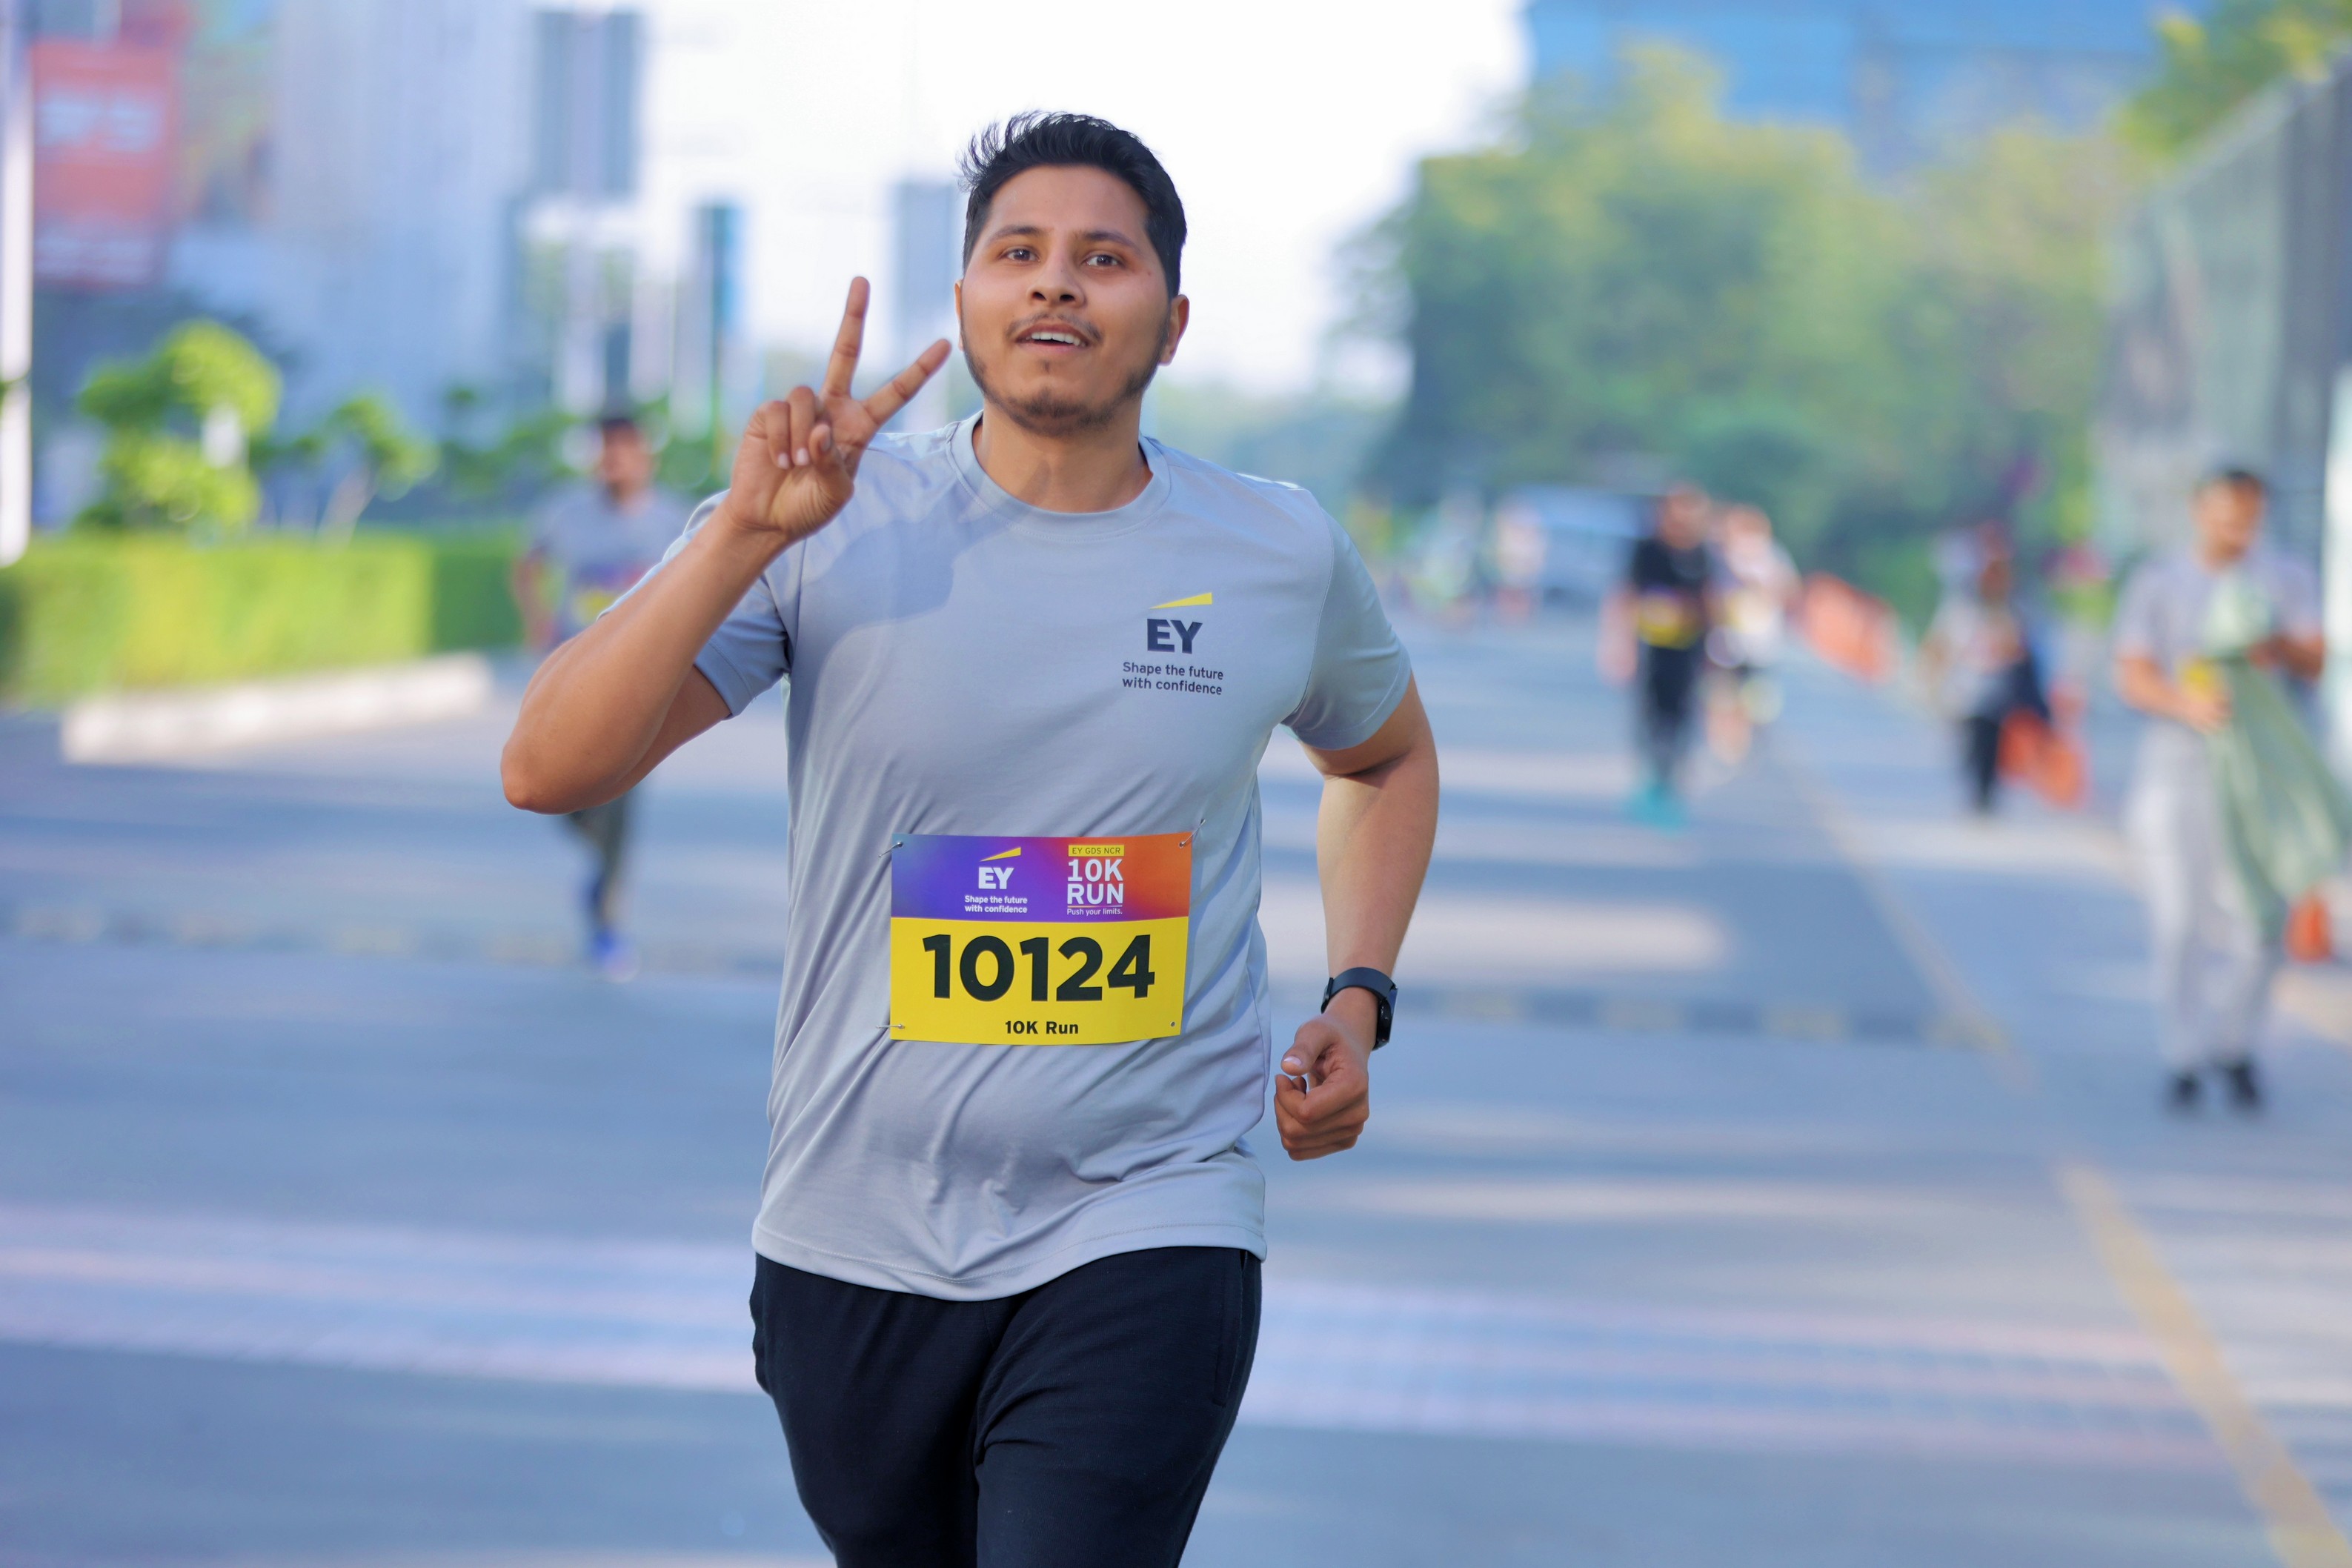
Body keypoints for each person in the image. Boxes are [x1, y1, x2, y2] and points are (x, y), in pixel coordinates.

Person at [500, 113, 1439, 1567]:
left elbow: (1382, 755)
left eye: (1103, 258)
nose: (1055, 282)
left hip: (1150, 1214)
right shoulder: (827, 521)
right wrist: (741, 534)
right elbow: (547, 766)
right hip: (851, 1236)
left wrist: (1358, 993)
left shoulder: (1273, 548)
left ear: (1173, 320)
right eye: (1018, 252)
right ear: (964, 301)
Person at [2113, 467, 2323, 1112]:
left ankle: (2235, 1044)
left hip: (2262, 774)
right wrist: (2187, 705)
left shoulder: (2284, 579)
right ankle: (2183, 1053)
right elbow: (2133, 673)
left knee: (2264, 919)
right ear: (2200, 512)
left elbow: (2315, 657)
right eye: (2227, 516)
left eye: (2249, 518)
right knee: (2180, 919)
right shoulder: (2160, 581)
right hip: (2180, 768)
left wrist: (2267, 639)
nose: (2238, 530)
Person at [514, 413, 693, 980]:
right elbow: (527, 567)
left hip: (639, 683)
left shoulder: (673, 520)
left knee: (620, 799)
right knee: (556, 792)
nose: (613, 460)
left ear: (645, 456)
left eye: (624, 449)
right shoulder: (565, 513)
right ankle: (597, 858)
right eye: (605, 450)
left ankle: (607, 919)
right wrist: (538, 621)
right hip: (573, 675)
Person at [1604, 482, 1715, 825]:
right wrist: (1619, 644)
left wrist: (1715, 650)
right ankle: (1649, 783)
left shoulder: (1702, 553)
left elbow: (1711, 601)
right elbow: (1627, 595)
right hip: (1652, 646)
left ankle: (1671, 787)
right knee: (1650, 718)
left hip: (1688, 649)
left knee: (1681, 719)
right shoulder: (1648, 549)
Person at [1919, 542, 2047, 814]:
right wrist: (1929, 678)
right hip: (1965, 690)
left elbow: (2024, 649)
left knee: (1992, 746)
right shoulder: (1962, 607)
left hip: (1998, 692)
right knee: (1971, 744)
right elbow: (1941, 644)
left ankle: (1986, 795)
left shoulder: (2015, 609)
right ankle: (1975, 790)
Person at [1705, 502, 1800, 763]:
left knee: (1755, 699)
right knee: (1722, 696)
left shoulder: (1772, 556)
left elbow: (1789, 591)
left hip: (1760, 642)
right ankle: (1725, 742)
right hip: (1725, 642)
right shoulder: (1719, 556)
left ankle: (1745, 739)